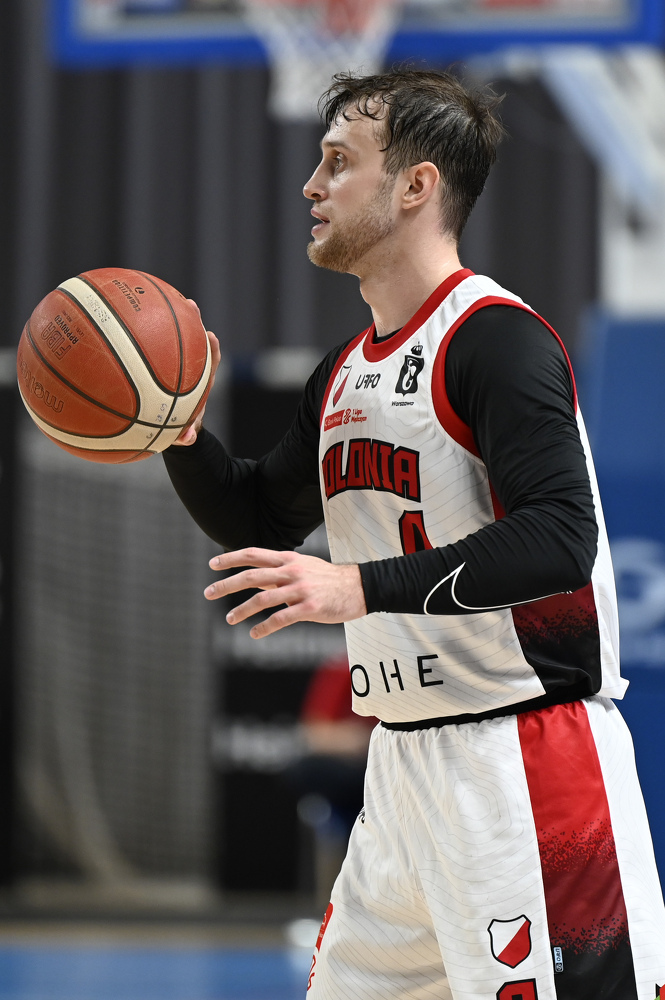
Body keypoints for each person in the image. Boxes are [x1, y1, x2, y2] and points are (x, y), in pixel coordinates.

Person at [163, 70, 665, 1000]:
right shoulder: (343, 372)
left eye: (337, 162)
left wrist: (355, 587)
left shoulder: (497, 341)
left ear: (415, 185)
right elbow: (257, 517)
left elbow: (560, 537)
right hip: (401, 770)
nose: (311, 185)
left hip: (525, 765)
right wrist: (177, 433)